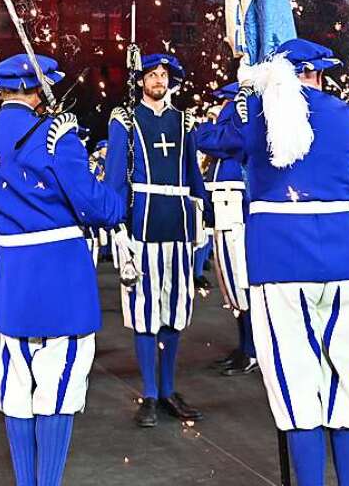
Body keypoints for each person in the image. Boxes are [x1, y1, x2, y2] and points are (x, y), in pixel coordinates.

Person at [0, 53, 124, 486]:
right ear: (39, 90)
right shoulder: (57, 135)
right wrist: (116, 159)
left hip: (13, 272)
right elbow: (102, 209)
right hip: (62, 275)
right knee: (59, 388)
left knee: (18, 387)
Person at [196, 38, 349, 486]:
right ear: (318, 73)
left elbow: (208, 138)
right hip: (344, 259)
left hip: (280, 261)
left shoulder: (258, 117)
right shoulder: (346, 114)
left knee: (296, 386)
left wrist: (244, 97)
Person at [106, 53, 210, 428]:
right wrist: (116, 225)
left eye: (164, 74)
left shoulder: (184, 120)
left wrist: (205, 219)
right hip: (142, 225)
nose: (158, 80)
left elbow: (193, 178)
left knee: (176, 309)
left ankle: (168, 390)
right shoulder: (125, 119)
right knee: (145, 313)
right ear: (140, 81)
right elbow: (115, 175)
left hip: (179, 225)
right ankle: (149, 393)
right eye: (152, 74)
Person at [194, 82, 257, 376]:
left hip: (237, 212)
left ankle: (253, 349)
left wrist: (209, 131)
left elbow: (216, 139)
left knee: (241, 281)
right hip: (225, 211)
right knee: (232, 284)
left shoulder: (239, 116)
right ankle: (244, 346)